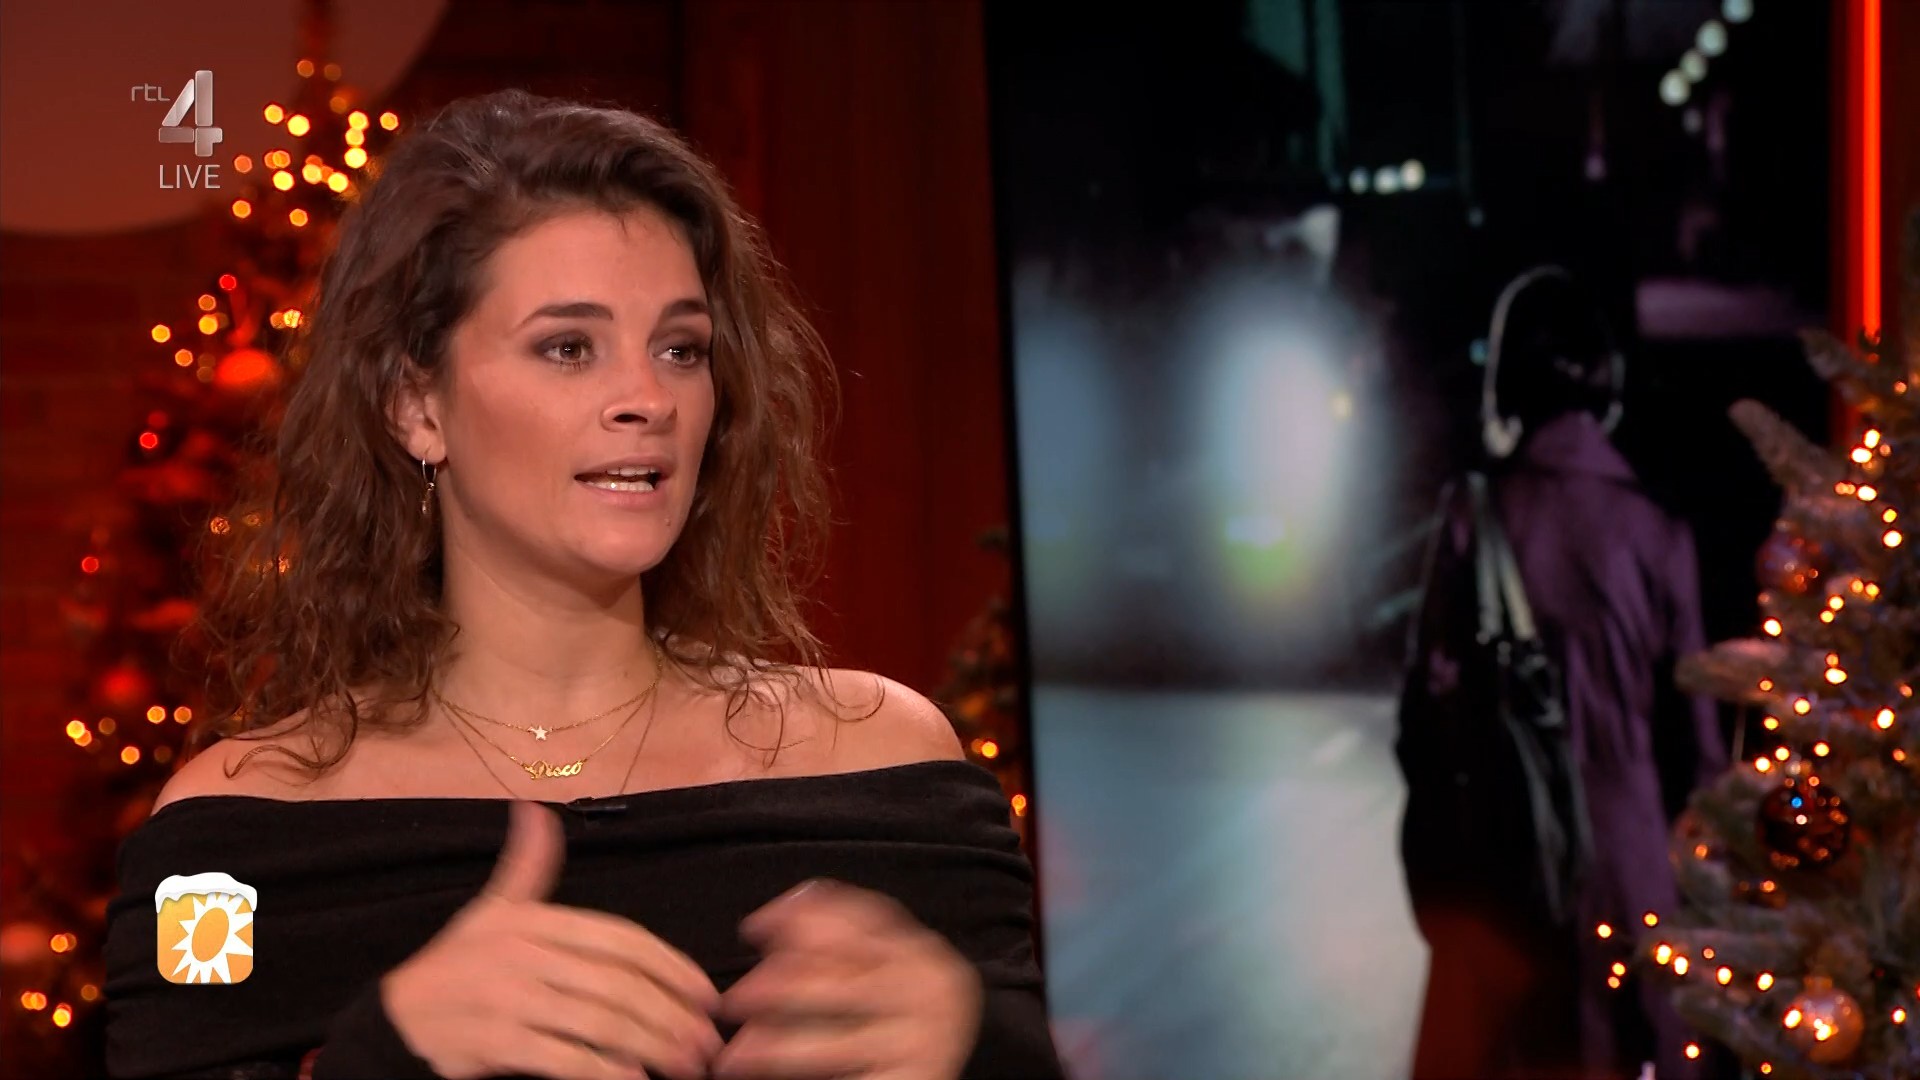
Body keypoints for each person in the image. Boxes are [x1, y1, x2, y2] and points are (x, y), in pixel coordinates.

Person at [102, 89, 1066, 1080]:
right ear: (416, 405)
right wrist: (388, 1052)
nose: (647, 399)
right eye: (569, 348)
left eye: (680, 349)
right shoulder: (226, 841)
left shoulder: (886, 771)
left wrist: (974, 1048)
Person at [1398, 267, 1728, 1079]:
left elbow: (1420, 723)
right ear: (1606, 380)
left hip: (1504, 871)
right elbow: (1703, 754)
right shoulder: (1657, 531)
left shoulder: (1473, 517)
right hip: (1631, 862)